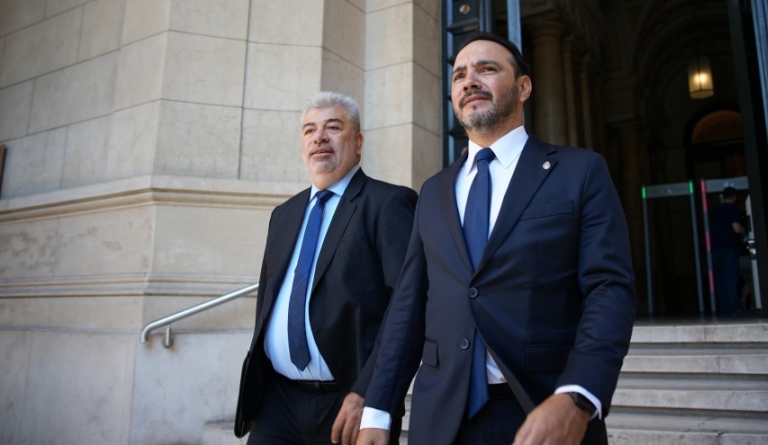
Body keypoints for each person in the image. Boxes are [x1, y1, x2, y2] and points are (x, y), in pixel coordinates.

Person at [357, 32, 637, 445]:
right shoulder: (433, 191)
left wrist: (578, 394)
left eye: (486, 69)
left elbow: (608, 288)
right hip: (441, 418)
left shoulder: (580, 172)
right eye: (459, 76)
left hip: (543, 409)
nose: (469, 81)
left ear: (524, 87)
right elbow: (408, 307)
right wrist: (377, 410)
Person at [234, 91, 417, 445]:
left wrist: (370, 394)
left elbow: (407, 311)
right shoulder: (283, 215)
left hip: (349, 401)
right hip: (278, 401)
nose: (319, 137)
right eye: (309, 130)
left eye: (333, 127)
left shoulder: (388, 204)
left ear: (358, 143)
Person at [710, 186, 746, 316]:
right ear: (734, 197)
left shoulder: (716, 210)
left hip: (715, 248)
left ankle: (724, 307)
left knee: (720, 278)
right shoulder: (732, 209)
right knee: (730, 277)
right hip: (729, 247)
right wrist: (745, 231)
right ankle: (734, 307)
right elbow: (736, 228)